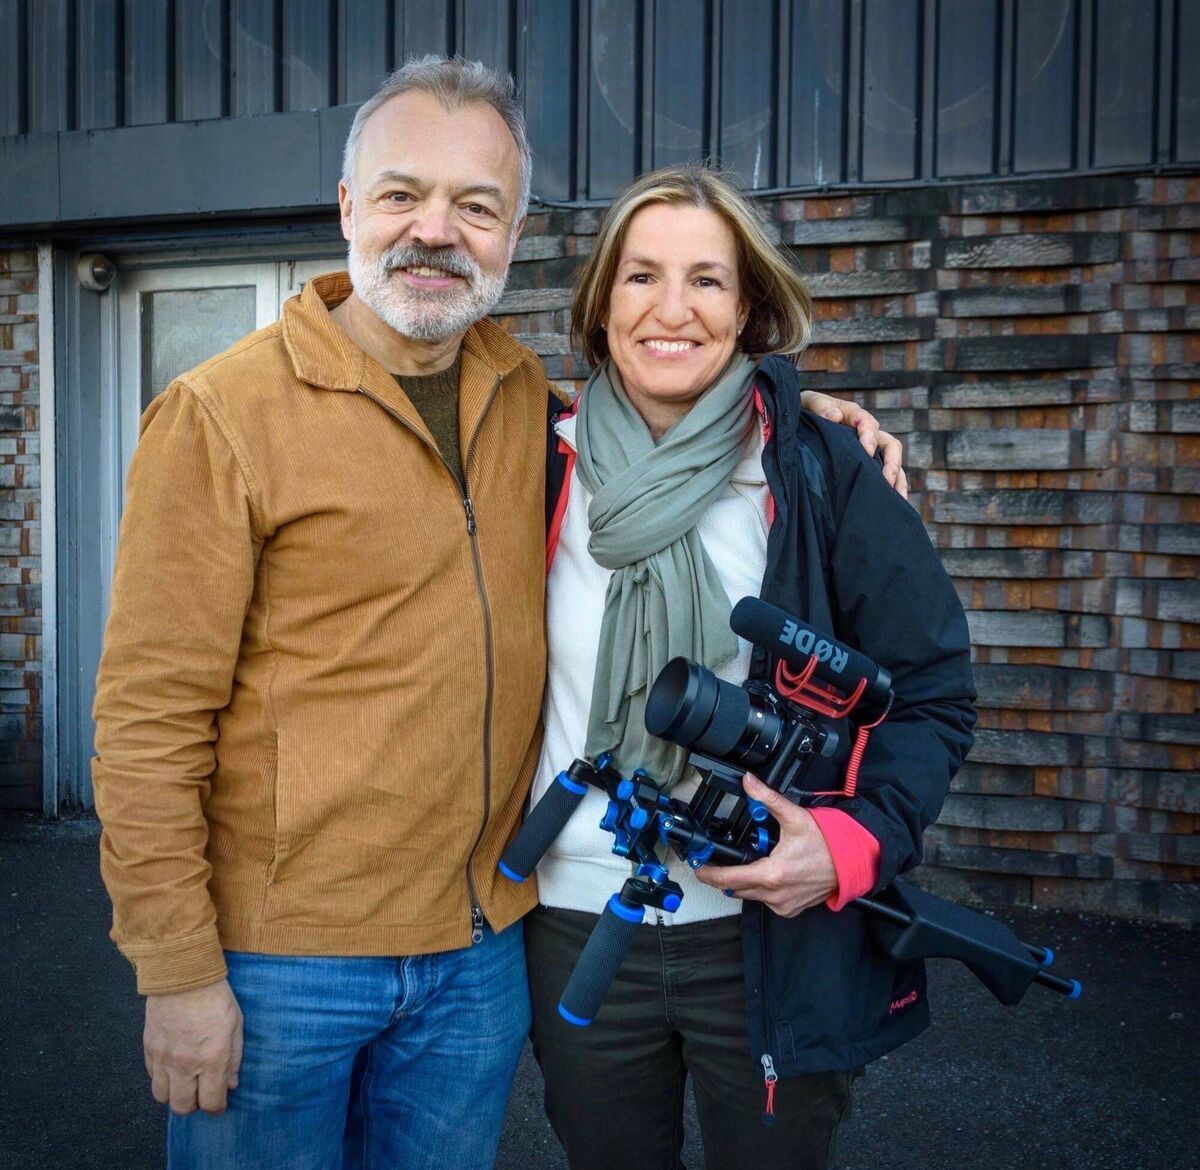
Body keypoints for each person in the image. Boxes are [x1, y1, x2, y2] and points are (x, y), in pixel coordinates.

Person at [91, 59, 901, 1170]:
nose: (437, 230)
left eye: (476, 205)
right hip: (285, 964)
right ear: (344, 208)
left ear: (514, 232)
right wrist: (177, 971)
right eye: (400, 194)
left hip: (479, 953)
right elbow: (147, 720)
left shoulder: (525, 401)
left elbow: (670, 401)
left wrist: (796, 411)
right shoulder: (221, 416)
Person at [525, 165, 977, 1170]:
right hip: (576, 909)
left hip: (768, 932)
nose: (671, 309)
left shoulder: (820, 469)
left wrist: (850, 843)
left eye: (708, 281)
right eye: (641, 277)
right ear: (600, 305)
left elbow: (935, 696)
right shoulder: (532, 464)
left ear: (750, 308)